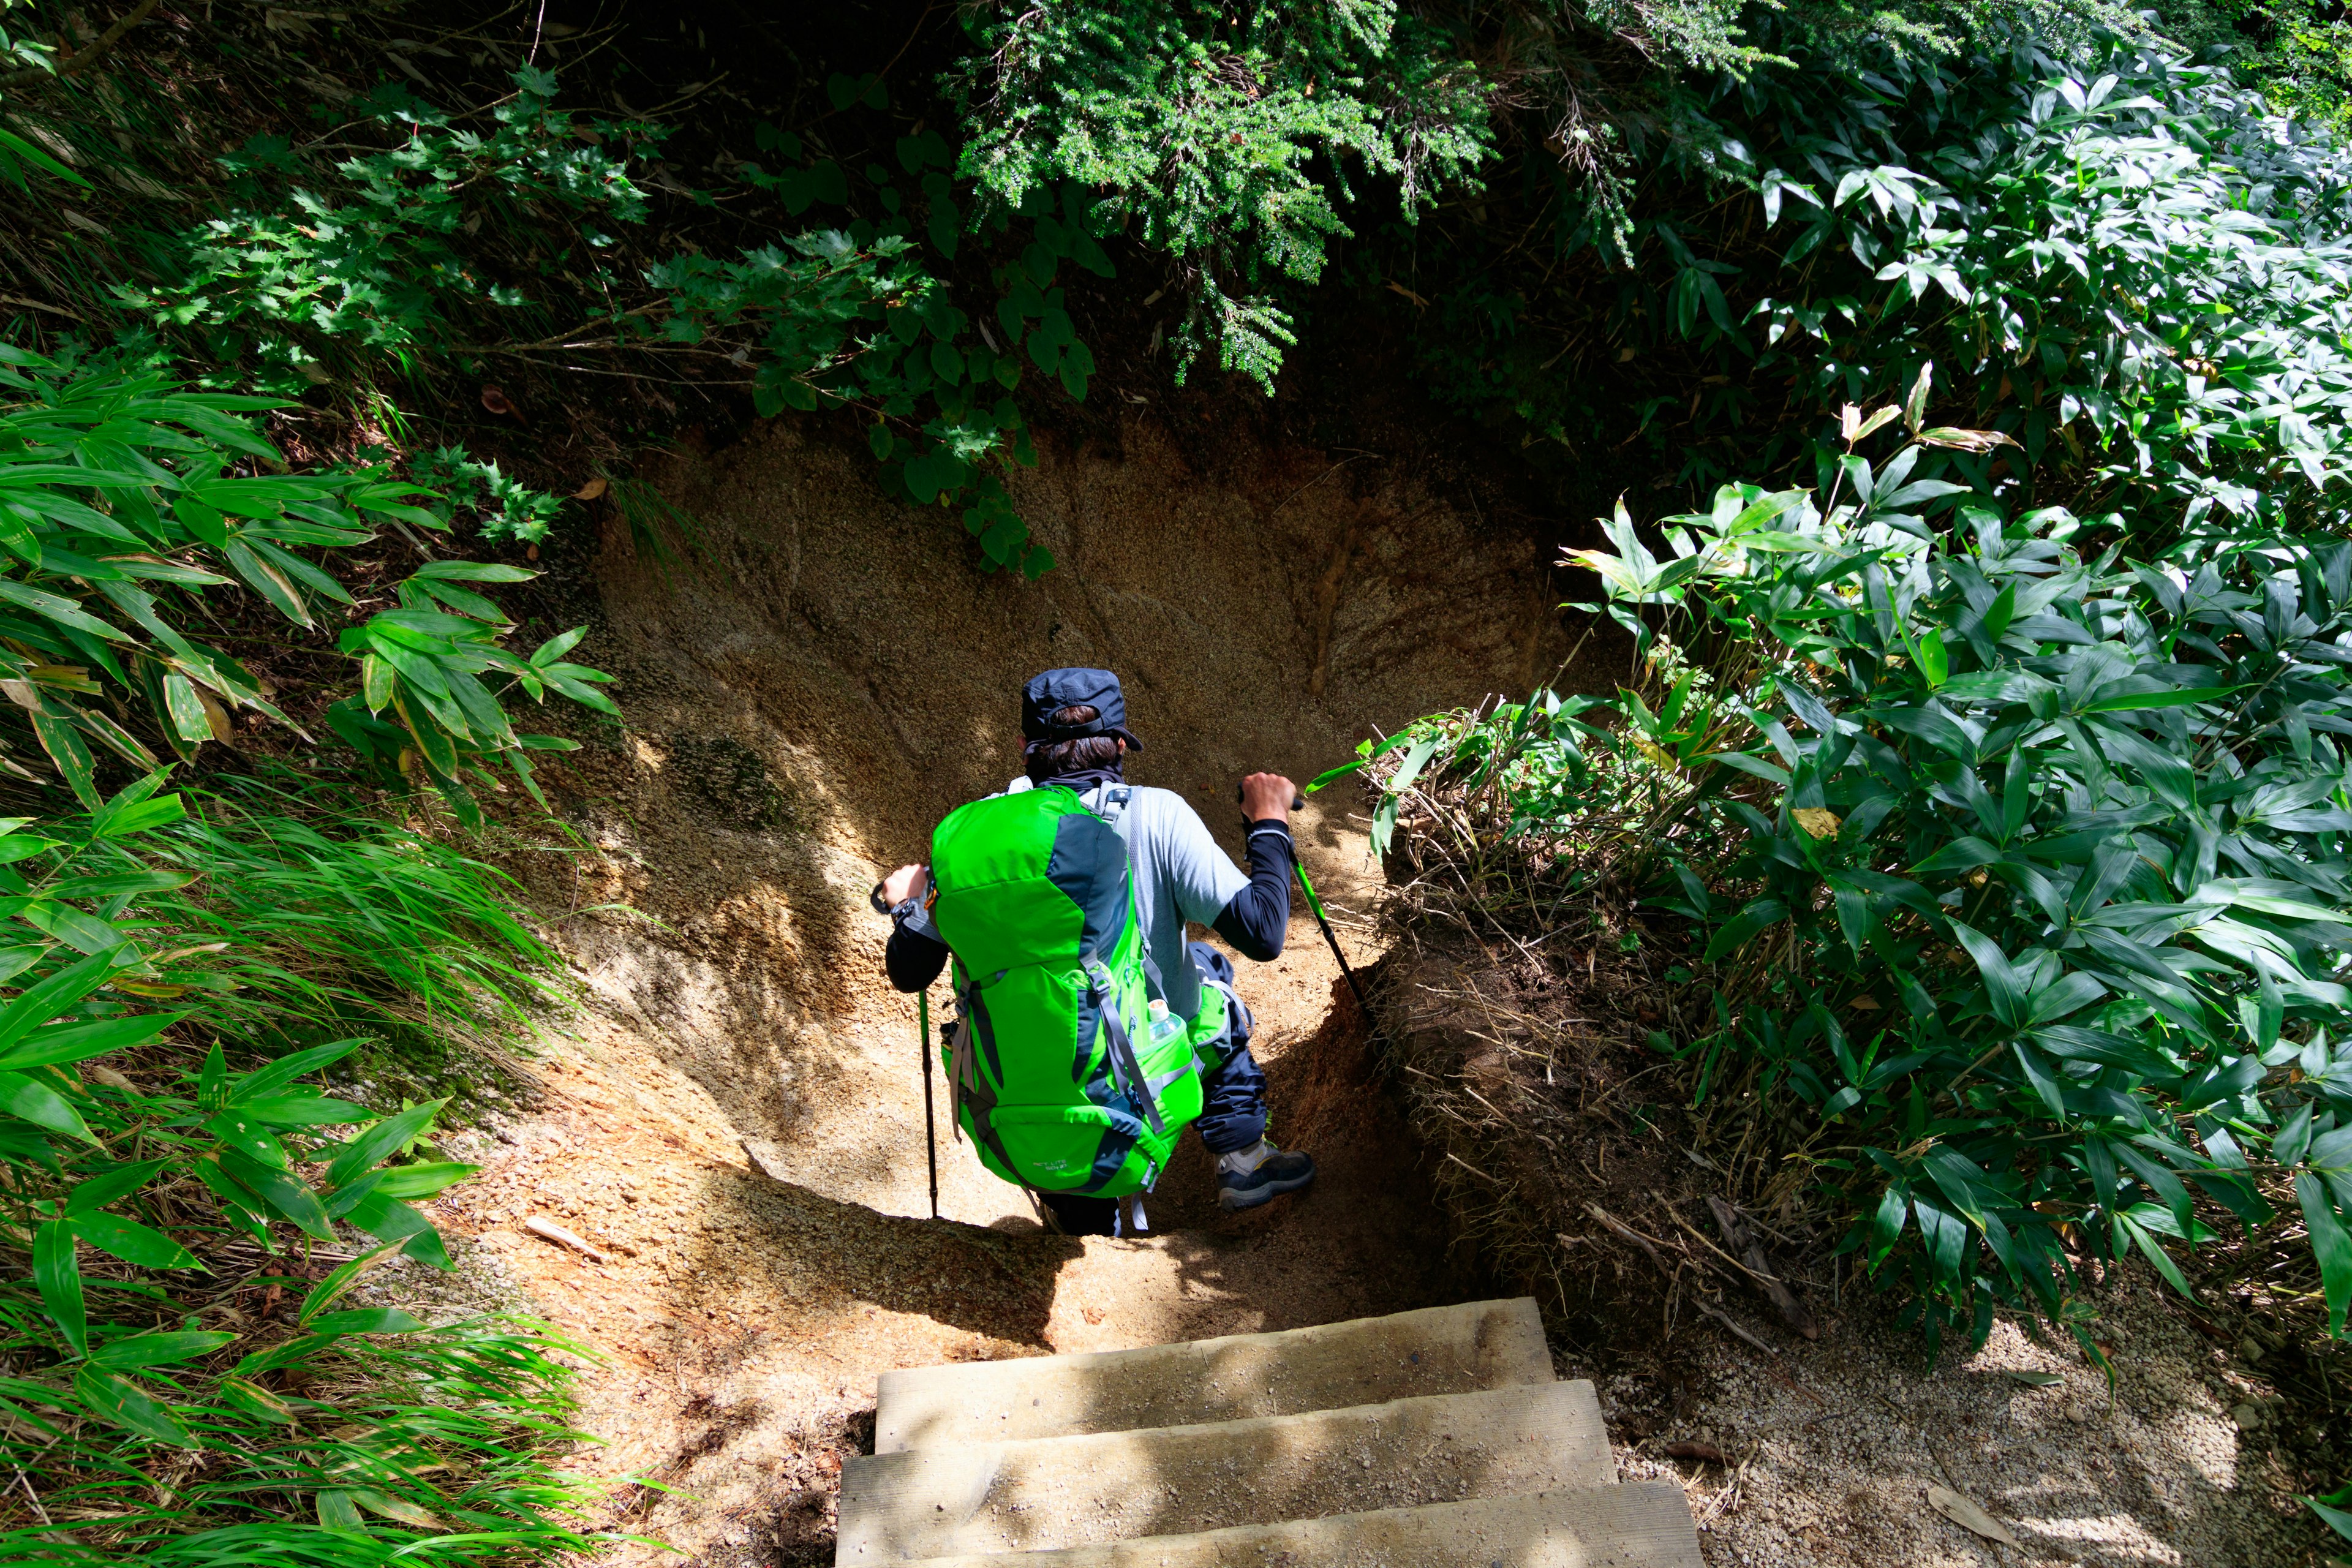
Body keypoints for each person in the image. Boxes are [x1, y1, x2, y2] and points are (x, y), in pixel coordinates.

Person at [878, 666, 1316, 1235]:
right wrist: (1269, 821)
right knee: (1211, 977)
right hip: (1144, 1082)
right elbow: (1263, 931)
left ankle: (1083, 1216)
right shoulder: (1159, 814)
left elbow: (909, 973)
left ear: (1023, 748)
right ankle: (1243, 1159)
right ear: (1117, 743)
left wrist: (912, 903)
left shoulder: (974, 838)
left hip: (1018, 1099)